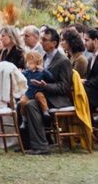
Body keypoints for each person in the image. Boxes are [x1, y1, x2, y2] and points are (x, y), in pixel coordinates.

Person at [16, 25, 73, 154]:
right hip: (40, 94)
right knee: (20, 103)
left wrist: (45, 86)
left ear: (54, 43)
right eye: (41, 39)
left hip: (56, 98)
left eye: (44, 40)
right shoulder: (43, 58)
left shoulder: (63, 61)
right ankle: (26, 144)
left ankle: (41, 146)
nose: (41, 42)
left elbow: (64, 87)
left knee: (31, 105)